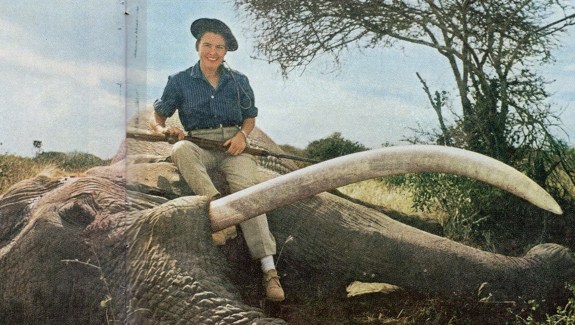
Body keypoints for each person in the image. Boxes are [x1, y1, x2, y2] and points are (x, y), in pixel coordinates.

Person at [151, 18, 285, 302]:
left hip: (233, 146)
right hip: (198, 142)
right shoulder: (179, 81)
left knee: (251, 195)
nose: (213, 51)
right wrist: (165, 130)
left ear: (226, 52)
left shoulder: (239, 81)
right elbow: (159, 115)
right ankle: (221, 216)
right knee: (180, 151)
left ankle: (269, 269)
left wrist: (242, 137)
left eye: (219, 47)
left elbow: (250, 116)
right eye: (207, 45)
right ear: (198, 47)